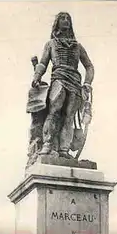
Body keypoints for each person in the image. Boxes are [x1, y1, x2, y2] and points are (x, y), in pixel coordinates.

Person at [31, 12, 94, 158]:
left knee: (70, 116)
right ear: (57, 23)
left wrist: (87, 83)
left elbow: (89, 66)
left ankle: (64, 150)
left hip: (75, 82)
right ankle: (47, 144)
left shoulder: (78, 46)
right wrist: (37, 76)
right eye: (62, 18)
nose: (65, 21)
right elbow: (42, 63)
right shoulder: (51, 44)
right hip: (59, 78)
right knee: (54, 111)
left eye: (68, 19)